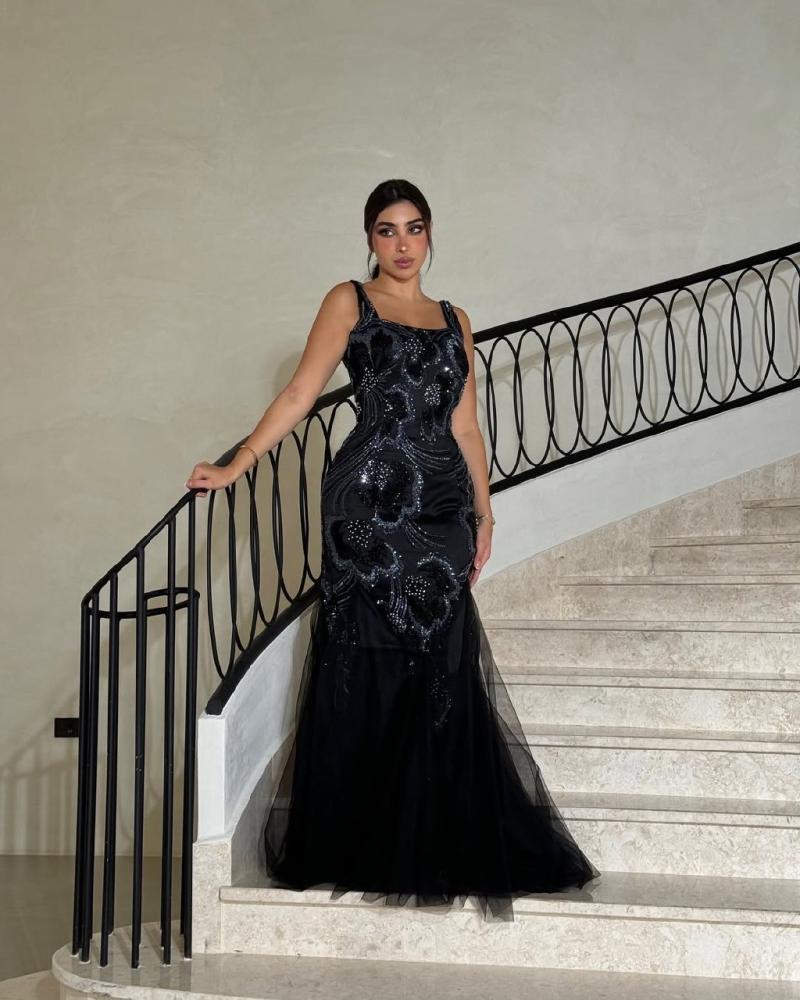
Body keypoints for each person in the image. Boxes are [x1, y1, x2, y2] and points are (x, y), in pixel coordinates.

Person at [185, 179, 600, 921]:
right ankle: (362, 835)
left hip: (442, 509)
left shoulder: (455, 319)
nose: (402, 244)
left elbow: (465, 426)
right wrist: (238, 462)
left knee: (440, 661)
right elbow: (300, 395)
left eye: (414, 228)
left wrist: (485, 512)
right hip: (367, 505)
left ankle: (435, 833)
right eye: (386, 230)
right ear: (369, 238)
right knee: (367, 654)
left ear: (430, 234)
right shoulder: (350, 301)